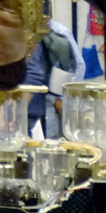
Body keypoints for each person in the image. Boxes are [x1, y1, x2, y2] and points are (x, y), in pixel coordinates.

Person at [26, 11, 79, 140]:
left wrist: (63, 97)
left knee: (50, 142)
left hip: (37, 99)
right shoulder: (40, 31)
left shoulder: (54, 31)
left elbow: (34, 73)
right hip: (43, 97)